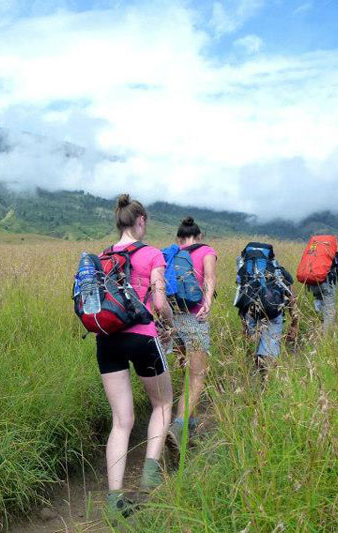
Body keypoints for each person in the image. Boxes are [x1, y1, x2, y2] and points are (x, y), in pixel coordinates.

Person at [96, 194, 173, 517]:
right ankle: (150, 477)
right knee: (163, 403)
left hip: (106, 340)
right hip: (142, 337)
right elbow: (158, 302)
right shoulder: (152, 253)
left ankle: (115, 501)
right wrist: (169, 325)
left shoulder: (102, 256)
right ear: (140, 221)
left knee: (121, 421)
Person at [164, 217, 217, 449]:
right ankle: (178, 426)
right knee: (197, 376)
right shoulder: (207, 250)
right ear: (200, 235)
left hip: (172, 319)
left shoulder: (171, 253)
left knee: (187, 373)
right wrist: (207, 303)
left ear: (179, 238)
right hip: (194, 318)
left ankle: (189, 430)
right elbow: (209, 277)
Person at [234, 242, 299, 373]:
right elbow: (292, 298)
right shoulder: (278, 270)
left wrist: (245, 326)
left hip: (250, 313)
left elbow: (240, 299)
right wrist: (294, 323)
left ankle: (253, 374)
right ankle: (266, 378)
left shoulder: (244, 272)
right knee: (269, 349)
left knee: (253, 345)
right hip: (273, 312)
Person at [307, 248, 338, 332]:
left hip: (313, 285)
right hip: (326, 285)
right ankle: (326, 338)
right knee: (329, 313)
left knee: (320, 309)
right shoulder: (336, 256)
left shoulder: (315, 254)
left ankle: (316, 331)